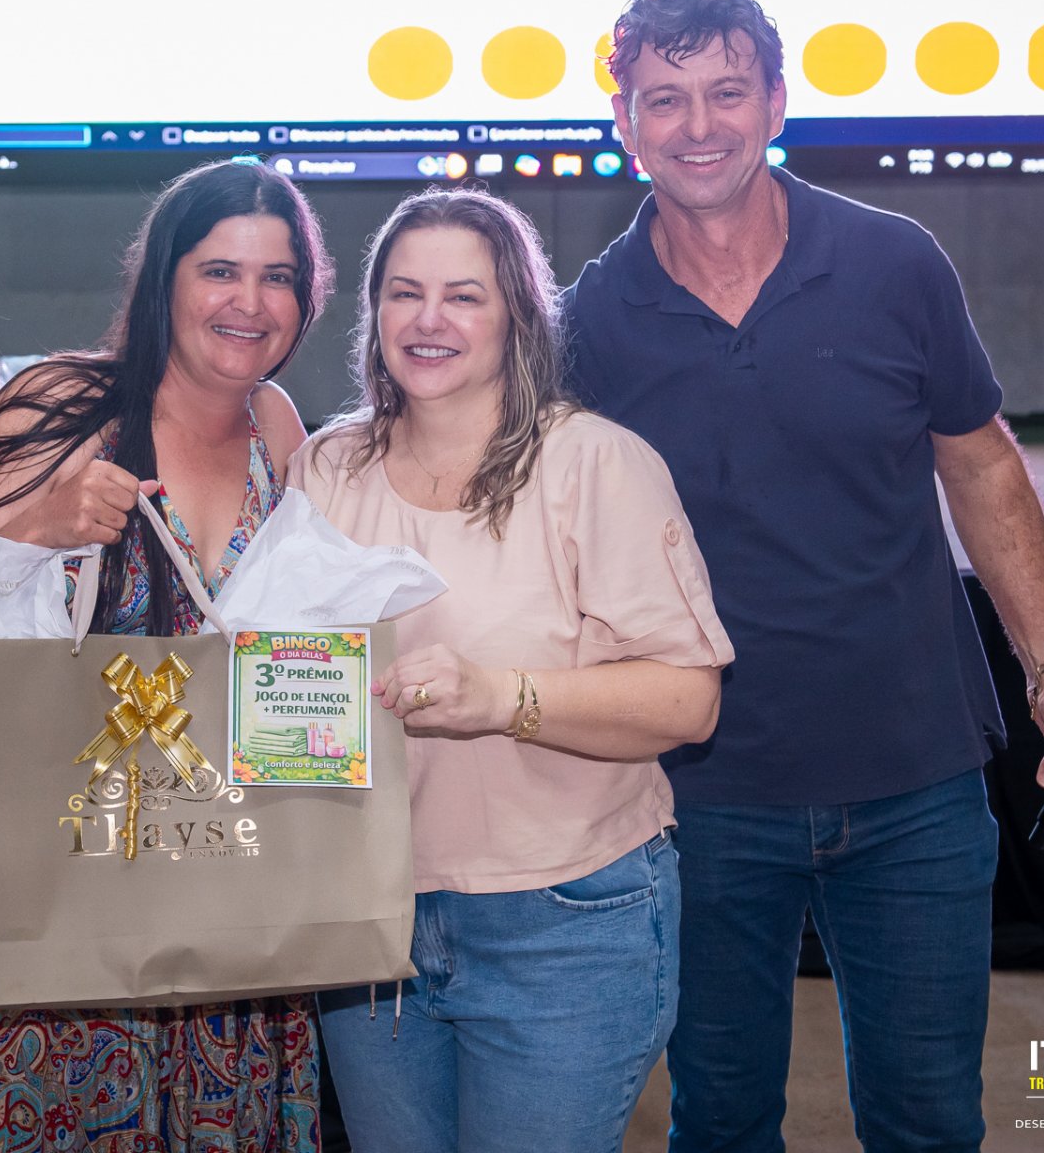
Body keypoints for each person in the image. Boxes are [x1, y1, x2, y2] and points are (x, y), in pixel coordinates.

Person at [563, 0, 1044, 1152]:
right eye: (666, 98)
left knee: (928, 1120)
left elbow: (981, 464)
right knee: (721, 1121)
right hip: (700, 797)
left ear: (777, 101)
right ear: (624, 121)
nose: (700, 125)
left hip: (915, 781)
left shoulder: (894, 262)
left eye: (727, 91)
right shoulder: (591, 319)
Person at [291, 187, 733, 1153]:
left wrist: (500, 698)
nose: (430, 320)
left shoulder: (596, 465)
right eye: (404, 293)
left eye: (464, 296)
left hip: (565, 922)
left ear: (518, 318)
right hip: (368, 920)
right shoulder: (325, 470)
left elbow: (689, 700)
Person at [0, 158, 330, 1153]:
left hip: (234, 891)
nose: (250, 301)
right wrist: (40, 526)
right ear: (163, 280)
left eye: (276, 277)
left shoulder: (277, 427)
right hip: (71, 887)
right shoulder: (61, 401)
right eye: (220, 270)